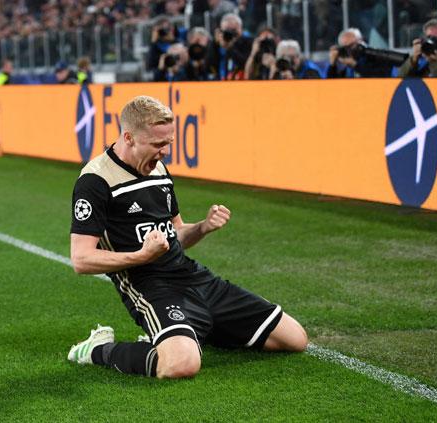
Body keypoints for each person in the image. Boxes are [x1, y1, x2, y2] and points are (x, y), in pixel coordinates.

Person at [68, 96, 308, 379]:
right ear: (129, 137)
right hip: (149, 286)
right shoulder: (95, 181)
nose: (165, 152)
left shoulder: (156, 168)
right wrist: (141, 256)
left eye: (168, 143)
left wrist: (203, 227)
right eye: (158, 144)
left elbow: (176, 233)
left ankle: (183, 336)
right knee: (181, 365)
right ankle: (98, 350)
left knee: (294, 339)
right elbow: (81, 259)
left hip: (192, 276)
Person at [326, 28, 395, 78]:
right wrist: (333, 65)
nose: (349, 50)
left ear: (361, 42)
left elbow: (381, 77)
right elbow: (329, 86)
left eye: (351, 46)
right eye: (344, 48)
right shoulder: (344, 68)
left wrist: (355, 65)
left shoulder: (376, 57)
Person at [208, 13, 253, 80]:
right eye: (227, 30)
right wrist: (214, 44)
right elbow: (209, 67)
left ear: (241, 29)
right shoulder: (216, 44)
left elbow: (245, 64)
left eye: (234, 30)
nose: (231, 33)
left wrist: (230, 48)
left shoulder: (249, 42)